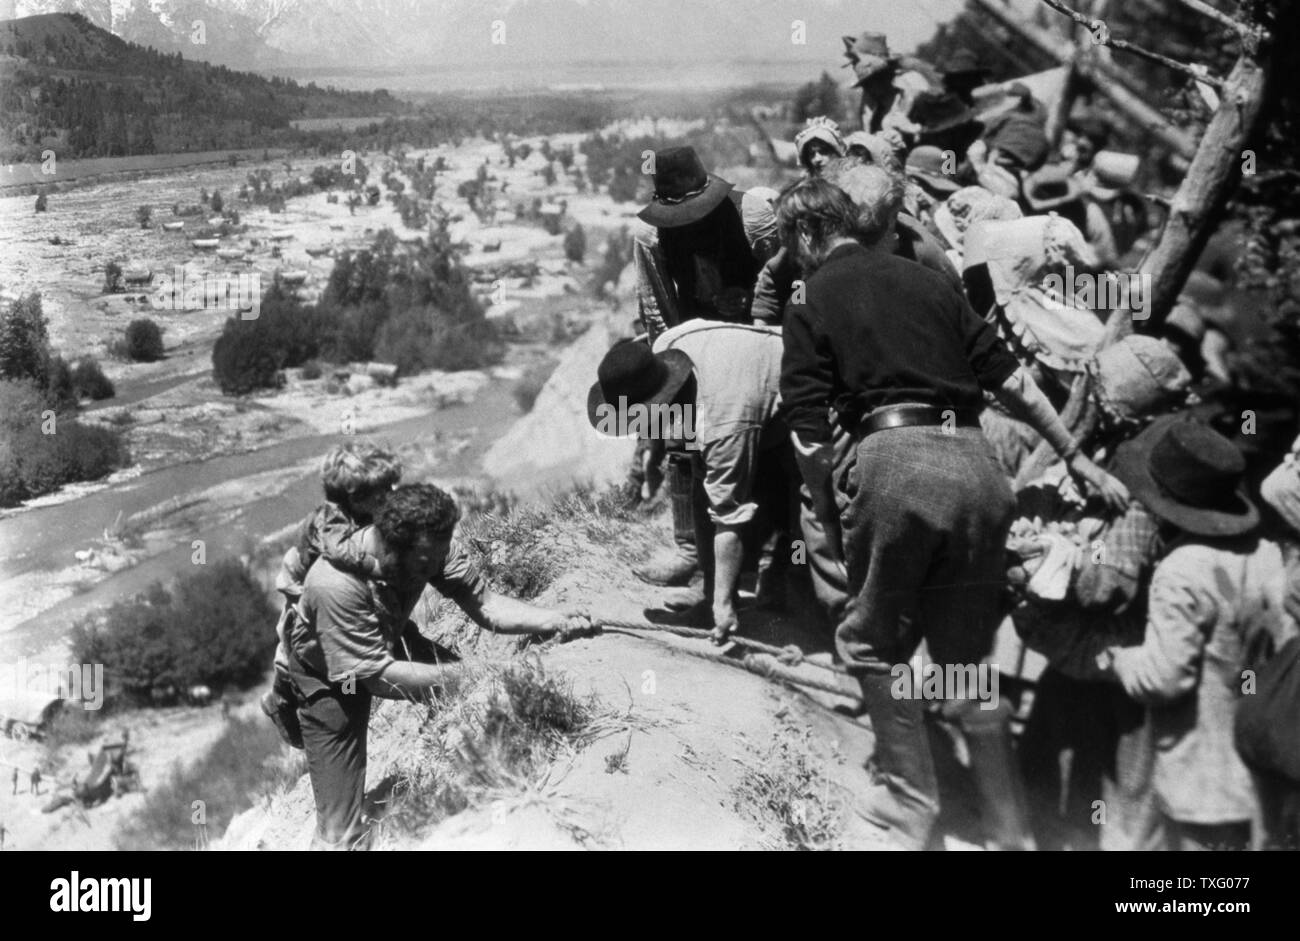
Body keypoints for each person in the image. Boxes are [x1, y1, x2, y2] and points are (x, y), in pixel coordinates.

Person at [776, 176, 1128, 851]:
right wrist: (1077, 459)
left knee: (869, 640)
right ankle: (1010, 828)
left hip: (894, 468)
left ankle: (910, 803)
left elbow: (809, 437)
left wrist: (826, 507)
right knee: (965, 665)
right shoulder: (933, 282)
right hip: (979, 468)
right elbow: (1015, 384)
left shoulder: (810, 298)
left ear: (805, 236)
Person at [286, 483, 592, 849]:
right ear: (388, 546)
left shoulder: (427, 547)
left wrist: (553, 619)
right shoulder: (334, 583)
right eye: (424, 563)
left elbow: (486, 604)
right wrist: (469, 674)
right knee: (339, 834)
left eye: (439, 554)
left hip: (388, 635)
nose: (435, 567)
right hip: (335, 678)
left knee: (480, 697)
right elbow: (378, 678)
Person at [1096, 417, 1297, 851]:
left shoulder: (1182, 569)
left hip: (1202, 778)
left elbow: (1166, 678)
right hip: (1259, 767)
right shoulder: (1267, 555)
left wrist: (1120, 659)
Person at [589, 325, 798, 642]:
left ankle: (784, 585)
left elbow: (729, 517)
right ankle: (712, 594)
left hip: (804, 386)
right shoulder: (665, 354)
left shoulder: (723, 423)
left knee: (788, 495)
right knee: (698, 479)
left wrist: (723, 605)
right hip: (739, 391)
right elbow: (702, 487)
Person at [631, 146, 779, 589]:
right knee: (682, 438)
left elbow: (793, 281)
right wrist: (676, 366)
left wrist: (754, 303)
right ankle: (692, 549)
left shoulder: (752, 212)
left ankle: (768, 557)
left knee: (763, 443)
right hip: (695, 341)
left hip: (760, 338)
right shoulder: (650, 235)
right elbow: (657, 310)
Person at [261, 442, 402, 750]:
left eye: (389, 487)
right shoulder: (333, 517)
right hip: (302, 581)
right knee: (293, 642)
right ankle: (280, 700)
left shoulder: (365, 512)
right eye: (380, 491)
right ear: (355, 495)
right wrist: (377, 568)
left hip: (336, 584)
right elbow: (339, 552)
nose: (387, 495)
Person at [841, 32, 934, 148]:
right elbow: (867, 130)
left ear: (885, 74)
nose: (869, 88)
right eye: (866, 84)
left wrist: (912, 129)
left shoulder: (915, 88)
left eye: (872, 81)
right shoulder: (870, 101)